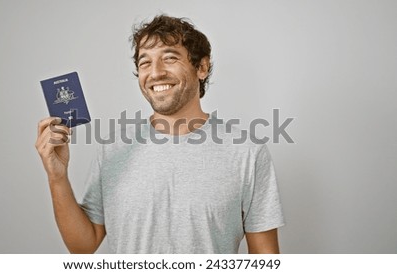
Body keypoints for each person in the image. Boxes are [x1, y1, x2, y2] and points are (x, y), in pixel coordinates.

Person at [35, 14, 284, 254]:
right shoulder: (112, 149)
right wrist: (57, 177)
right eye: (145, 62)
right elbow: (83, 246)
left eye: (170, 58)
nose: (155, 73)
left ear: (202, 67)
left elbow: (265, 256)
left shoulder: (247, 153)